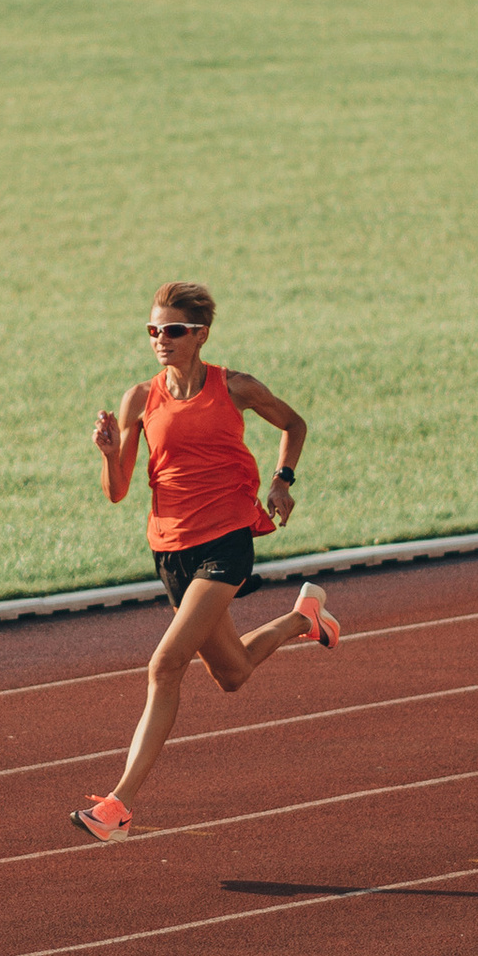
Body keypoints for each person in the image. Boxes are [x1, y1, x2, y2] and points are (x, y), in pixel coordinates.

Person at [73, 281, 339, 842]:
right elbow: (118, 490)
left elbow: (294, 425)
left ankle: (117, 807)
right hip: (170, 549)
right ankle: (303, 619)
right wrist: (105, 453)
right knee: (232, 674)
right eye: (152, 331)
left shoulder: (235, 387)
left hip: (226, 540)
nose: (160, 341)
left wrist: (282, 481)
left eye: (172, 331)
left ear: (200, 335)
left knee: (165, 665)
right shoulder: (139, 400)